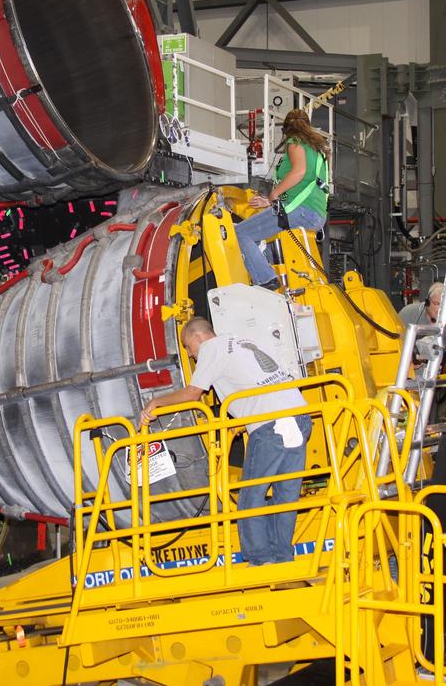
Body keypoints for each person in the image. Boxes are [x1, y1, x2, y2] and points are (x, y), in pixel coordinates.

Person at [138, 318, 312, 565]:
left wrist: (156, 403)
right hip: (300, 418)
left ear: (197, 338)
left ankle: (260, 559)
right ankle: (282, 557)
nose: (192, 356)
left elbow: (192, 394)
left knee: (251, 495)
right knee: (286, 495)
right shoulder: (241, 340)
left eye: (188, 348)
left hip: (271, 426)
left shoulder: (212, 348)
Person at [236, 108, 330, 288]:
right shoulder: (317, 152)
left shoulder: (294, 142)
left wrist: (273, 195)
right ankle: (276, 278)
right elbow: (302, 187)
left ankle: (265, 280)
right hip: (315, 215)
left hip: (299, 211)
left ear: (286, 131)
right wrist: (270, 202)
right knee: (268, 243)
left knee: (241, 233)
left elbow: (299, 173)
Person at [397, 281, 446, 365]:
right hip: (401, 368)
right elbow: (392, 342)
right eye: (437, 304)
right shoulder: (407, 313)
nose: (441, 310)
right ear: (427, 301)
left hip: (429, 374)